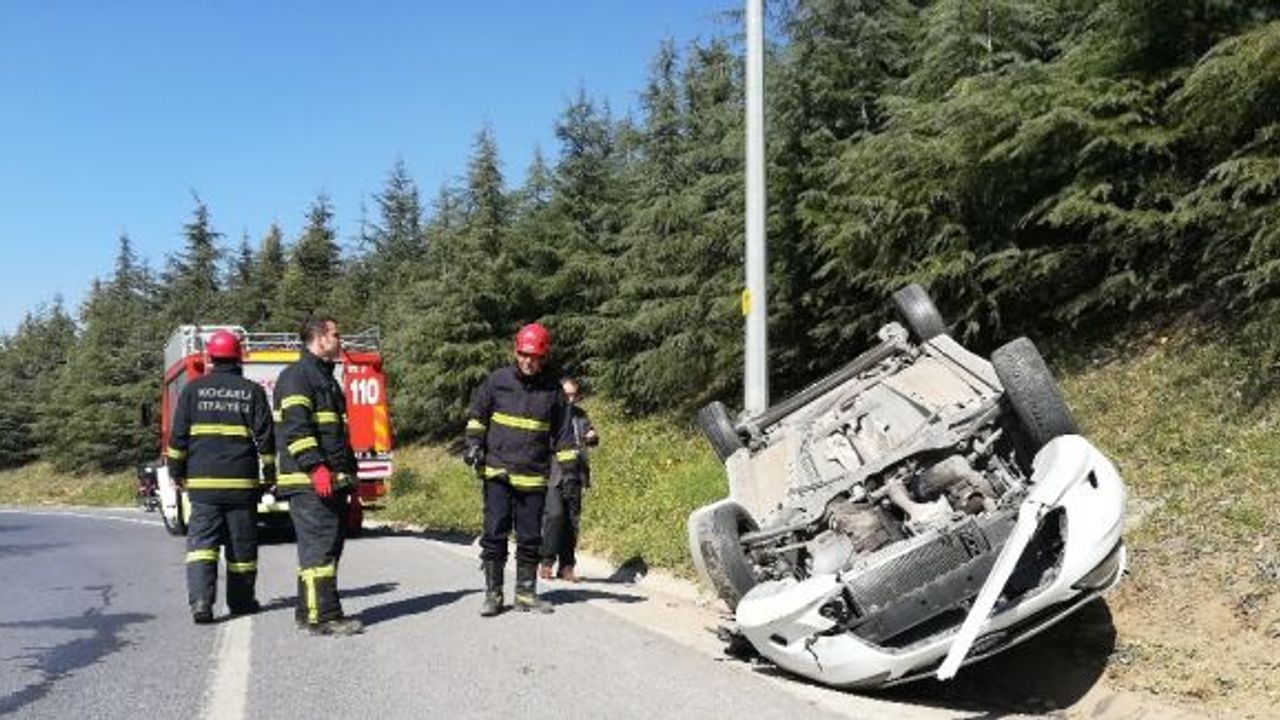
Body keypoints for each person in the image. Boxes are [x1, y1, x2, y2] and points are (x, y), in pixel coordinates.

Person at [167, 330, 275, 624]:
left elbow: (178, 438)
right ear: (238, 357)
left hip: (203, 486)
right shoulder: (251, 391)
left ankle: (202, 602)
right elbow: (266, 438)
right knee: (242, 547)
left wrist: (177, 473)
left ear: (211, 358)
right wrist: (270, 474)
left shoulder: (192, 390)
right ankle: (241, 602)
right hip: (241, 484)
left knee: (202, 547)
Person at [463, 322, 570, 616]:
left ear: (543, 356)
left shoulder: (553, 390)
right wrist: (473, 444)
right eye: (523, 354)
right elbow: (478, 415)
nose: (528, 361)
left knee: (530, 537)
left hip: (533, 476)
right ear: (516, 351)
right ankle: (493, 594)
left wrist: (570, 470)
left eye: (534, 357)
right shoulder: (497, 381)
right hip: (497, 472)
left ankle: (525, 594)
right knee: (494, 534)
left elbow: (563, 434)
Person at [274, 314, 363, 636]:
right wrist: (317, 468)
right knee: (320, 550)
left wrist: (351, 480)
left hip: (329, 480)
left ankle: (307, 610)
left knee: (325, 549)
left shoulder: (325, 379)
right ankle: (323, 616)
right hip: (309, 482)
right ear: (320, 338)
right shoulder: (298, 377)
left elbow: (338, 437)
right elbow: (297, 430)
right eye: (336, 335)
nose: (341, 341)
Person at [539, 378, 599, 583]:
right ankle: (546, 562)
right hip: (554, 475)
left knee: (572, 523)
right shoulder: (550, 415)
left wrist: (592, 435)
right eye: (567, 394)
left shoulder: (580, 415)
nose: (571, 399)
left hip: (575, 474)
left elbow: (592, 437)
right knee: (555, 516)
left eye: (574, 395)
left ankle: (566, 567)